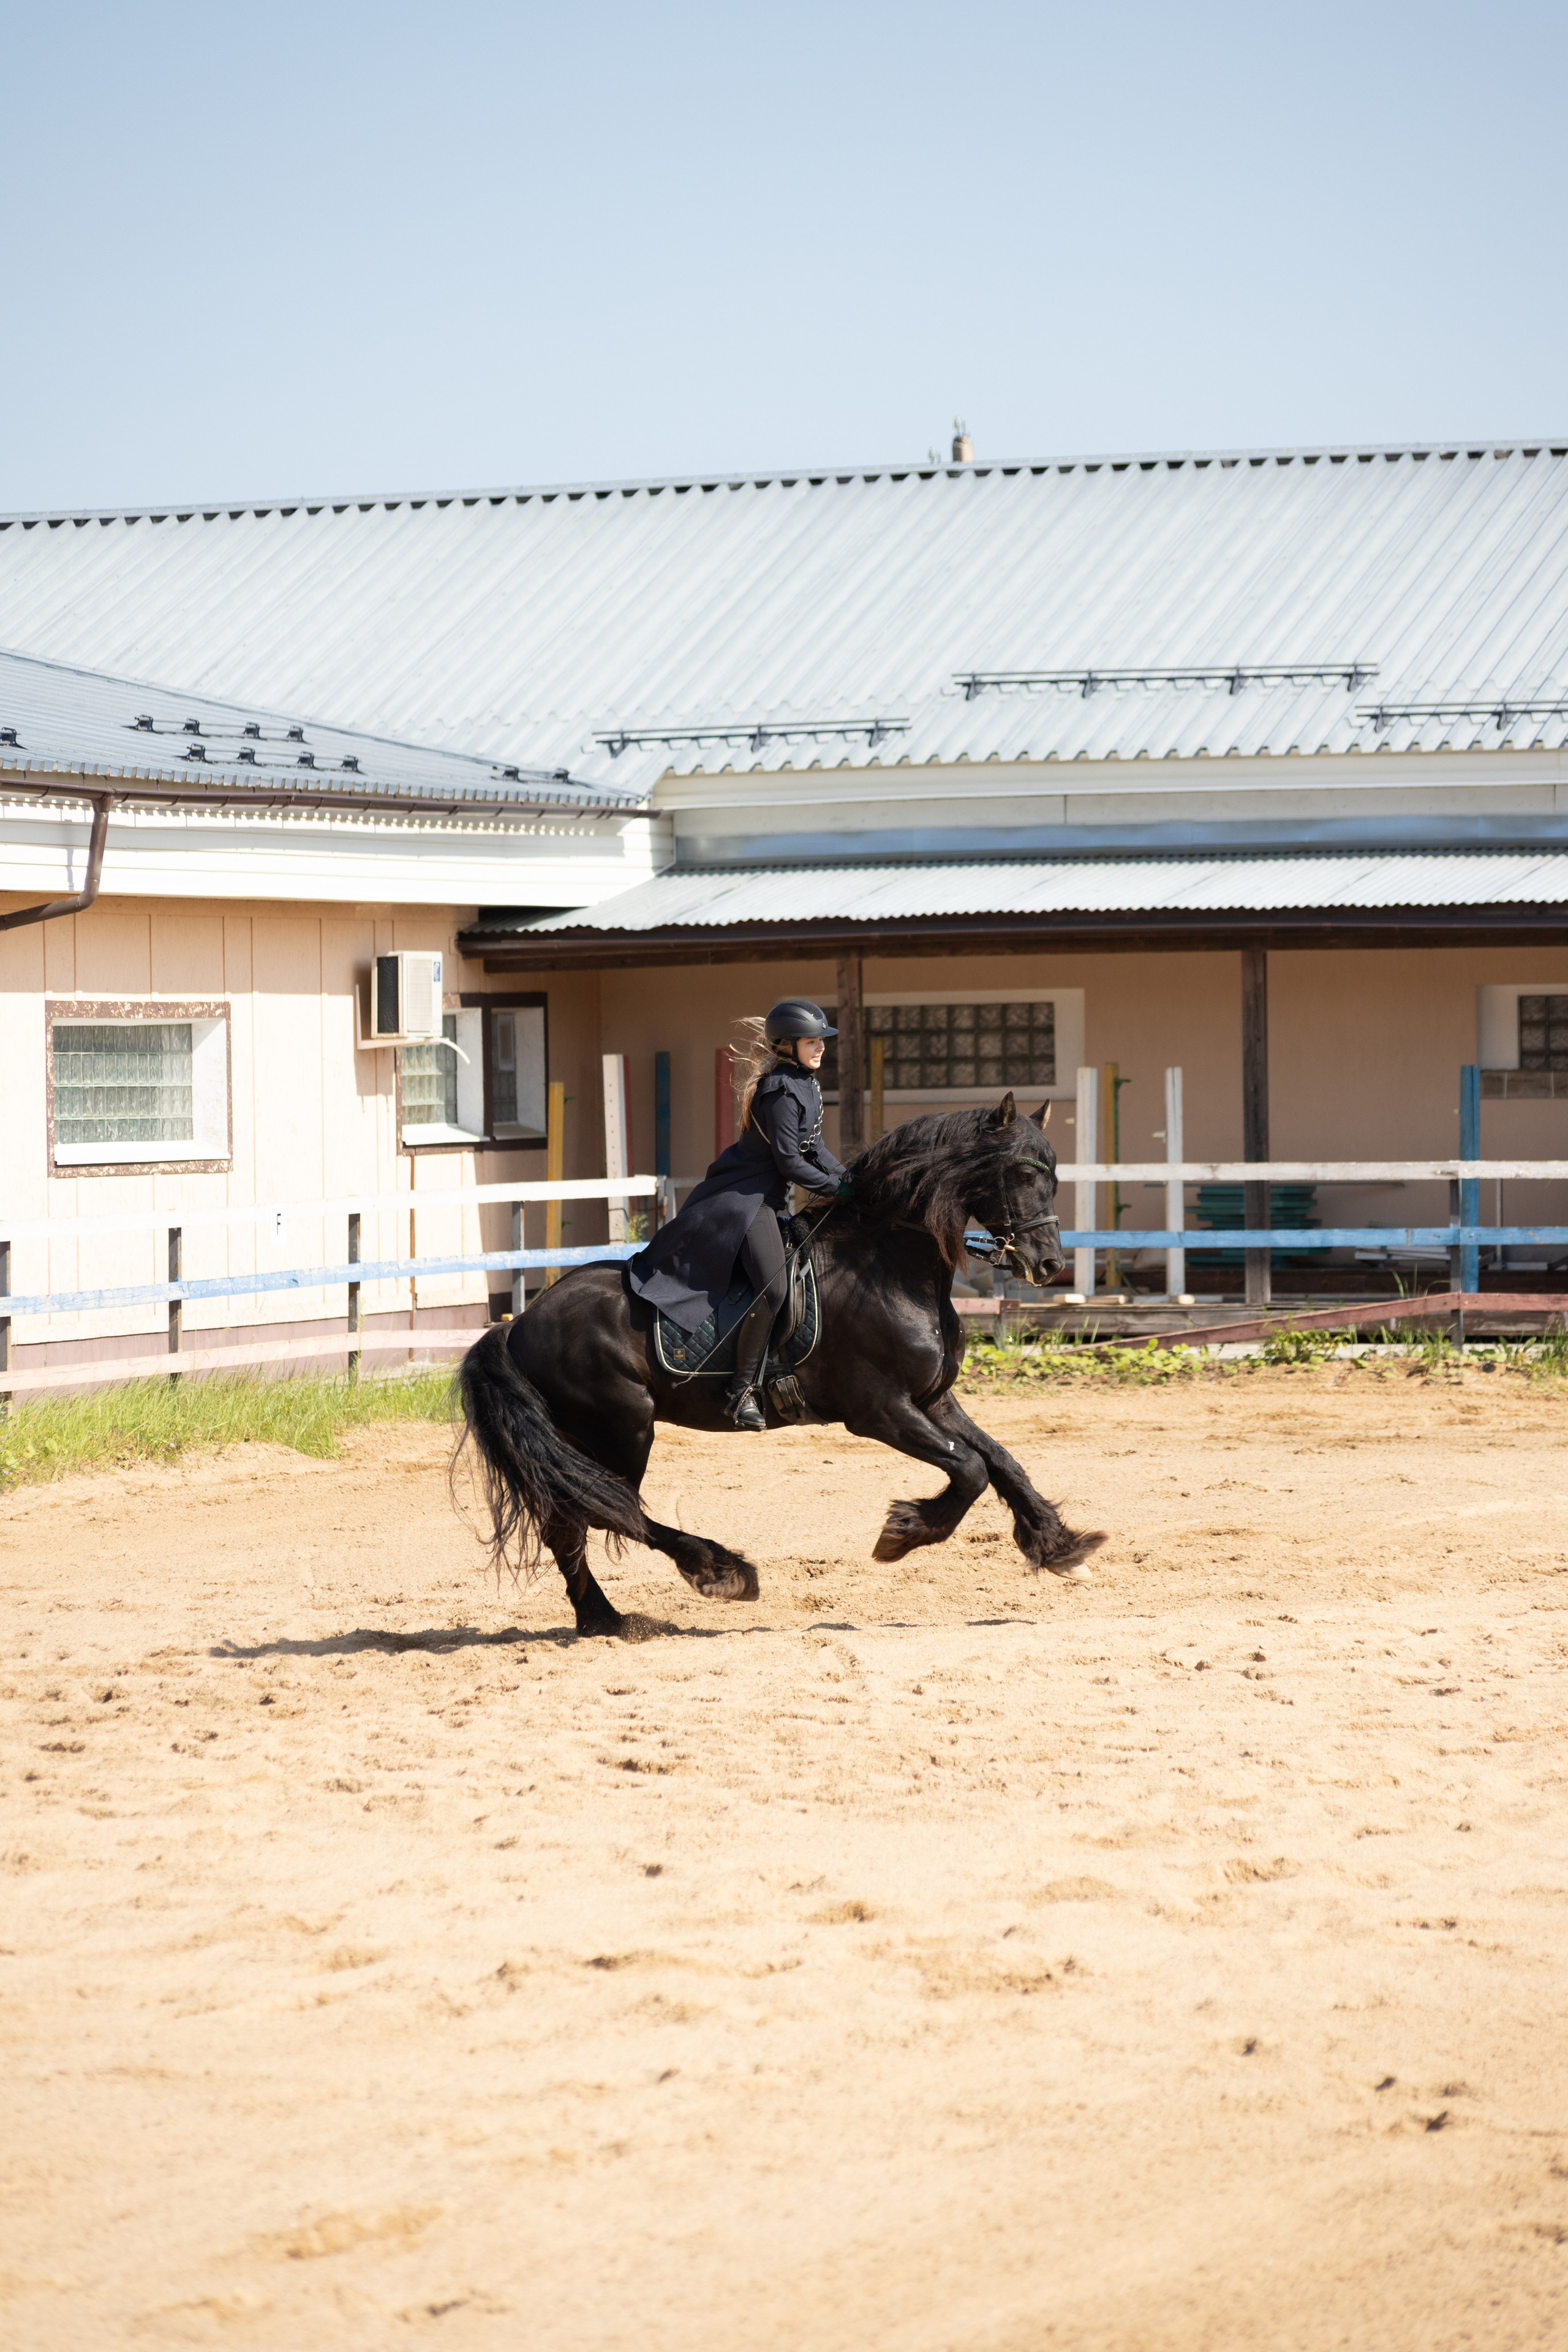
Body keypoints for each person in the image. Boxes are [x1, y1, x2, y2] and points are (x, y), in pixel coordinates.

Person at [627, 1000, 851, 1428]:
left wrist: (852, 1182)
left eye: (822, 1041)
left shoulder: (806, 1083)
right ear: (788, 1045)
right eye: (812, 1042)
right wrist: (836, 1189)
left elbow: (815, 1148)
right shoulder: (781, 1090)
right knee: (773, 1288)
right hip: (743, 1200)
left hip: (767, 1199)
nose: (821, 1048)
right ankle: (742, 1390)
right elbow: (790, 1163)